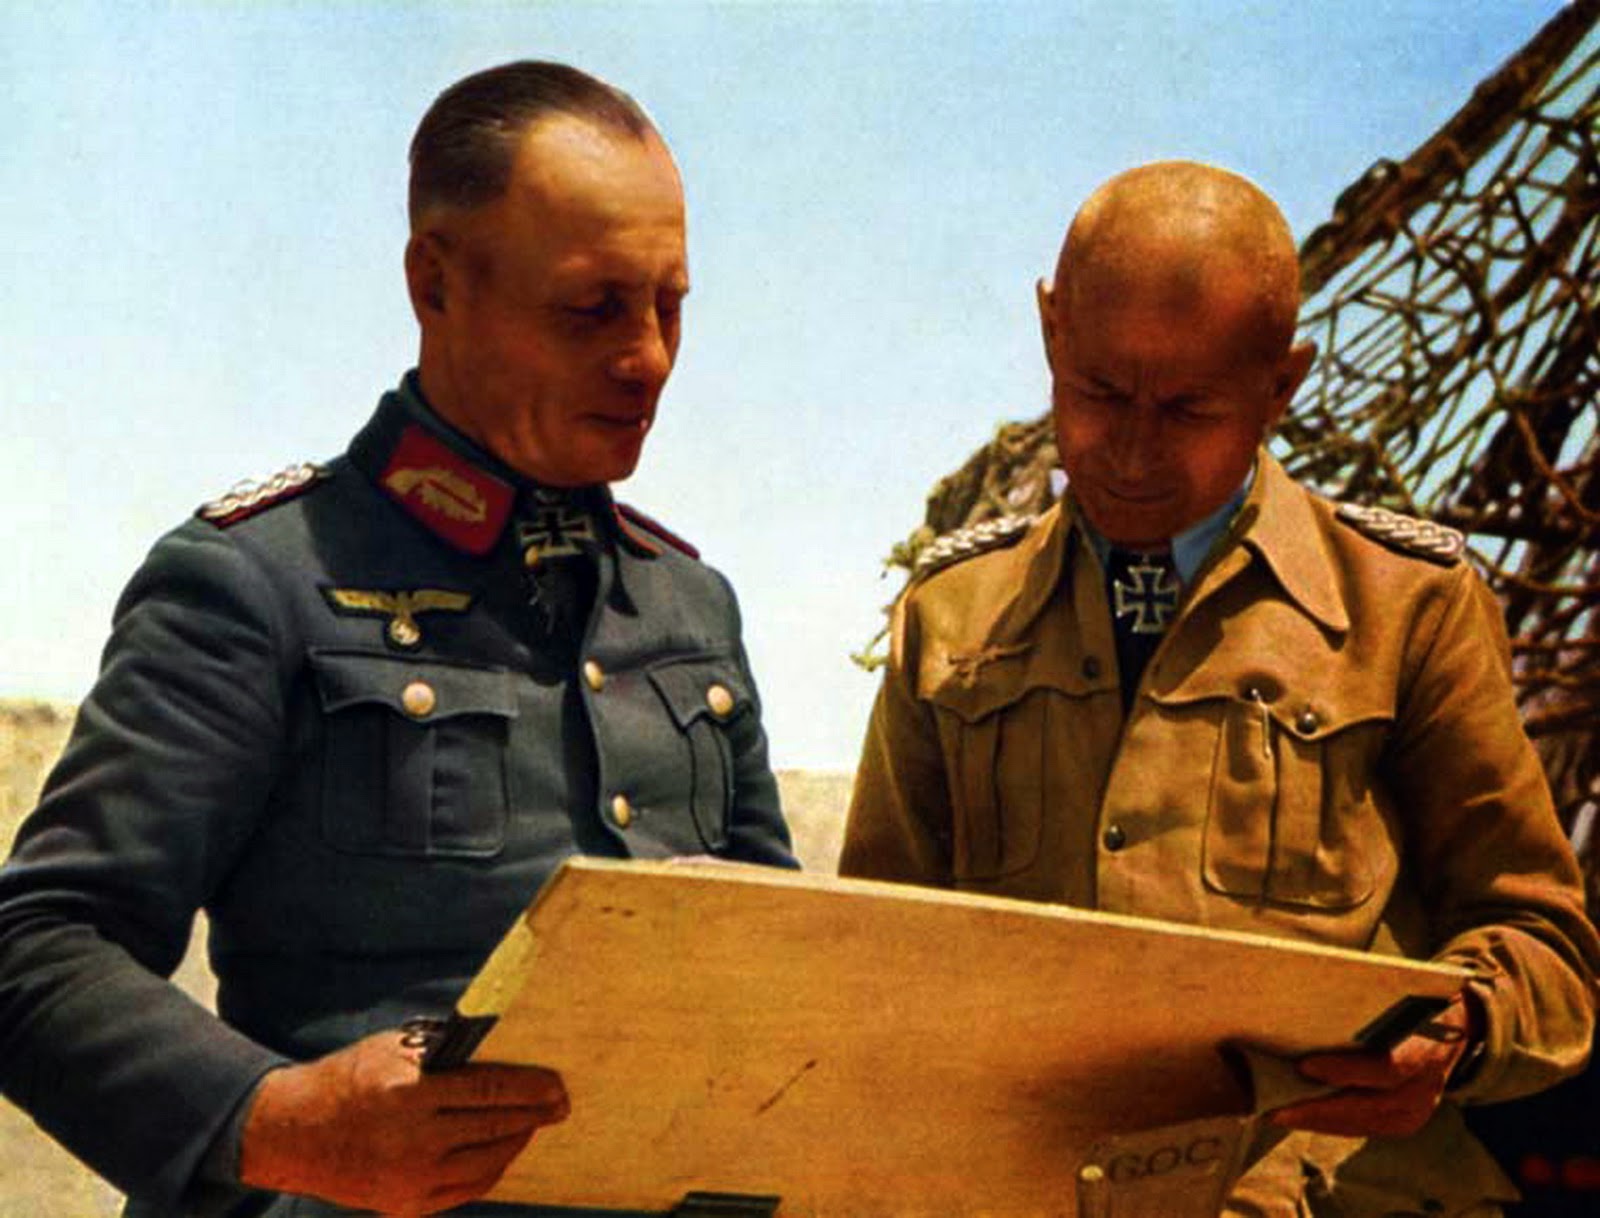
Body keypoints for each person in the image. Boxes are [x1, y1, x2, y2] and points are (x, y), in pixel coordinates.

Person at [0, 62, 796, 1217]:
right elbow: (38, 944)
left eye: (668, 305)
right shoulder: (259, 580)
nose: (648, 358)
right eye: (591, 309)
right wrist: (277, 1122)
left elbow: (780, 976)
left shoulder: (689, 604)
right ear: (436, 283)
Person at [838, 161, 1598, 1216]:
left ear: (1281, 386)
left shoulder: (1405, 608)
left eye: (1189, 409)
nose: (1131, 450)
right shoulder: (951, 617)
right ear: (1052, 332)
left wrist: (1460, 1030)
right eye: (1099, 393)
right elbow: (872, 961)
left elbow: (1545, 948)